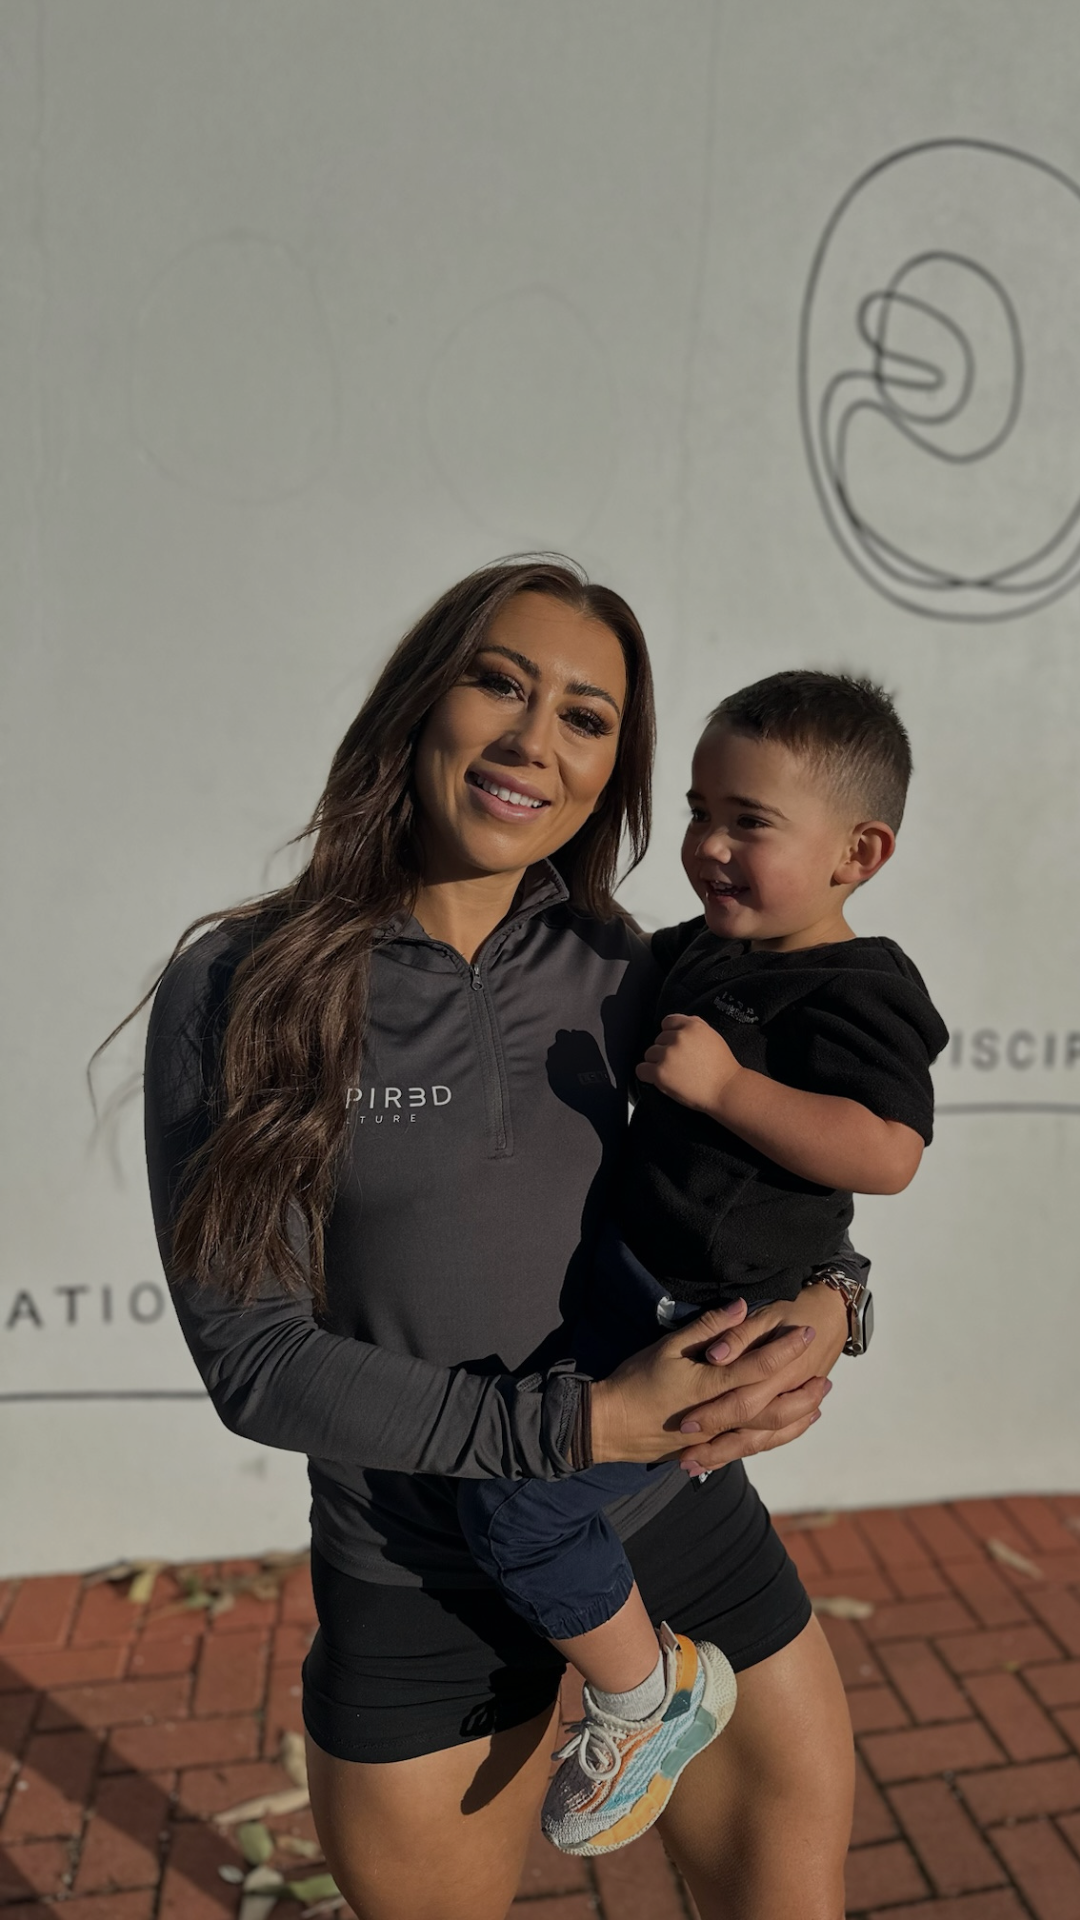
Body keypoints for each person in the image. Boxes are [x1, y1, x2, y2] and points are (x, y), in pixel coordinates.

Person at [142, 559, 858, 1920]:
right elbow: (254, 1358)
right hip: (421, 1585)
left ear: (614, 770)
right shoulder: (246, 983)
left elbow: (764, 1181)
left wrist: (835, 1295)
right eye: (501, 682)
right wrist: (570, 1429)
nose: (538, 738)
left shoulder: (631, 964)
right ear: (423, 703)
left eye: (588, 717)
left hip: (680, 1525)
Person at [459, 670, 947, 1858]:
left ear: (859, 852)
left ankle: (649, 1696)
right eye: (698, 811)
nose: (709, 846)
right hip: (629, 1289)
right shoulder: (698, 952)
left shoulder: (859, 986)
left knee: (520, 1513)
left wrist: (732, 1089)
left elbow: (888, 1153)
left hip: (702, 1332)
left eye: (750, 823)